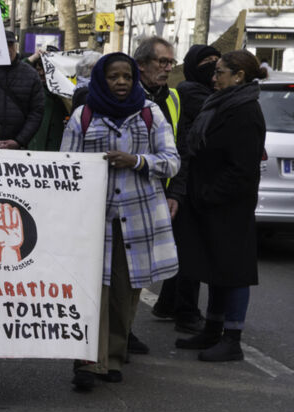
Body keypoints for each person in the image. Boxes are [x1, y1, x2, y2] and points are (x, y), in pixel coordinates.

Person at [62, 53, 179, 392]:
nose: (121, 82)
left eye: (126, 76)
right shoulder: (83, 116)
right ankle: (88, 361)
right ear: (102, 79)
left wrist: (136, 161)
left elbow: (172, 161)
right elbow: (65, 165)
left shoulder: (150, 113)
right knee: (91, 289)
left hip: (137, 219)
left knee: (124, 293)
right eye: (113, 77)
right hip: (94, 218)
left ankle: (113, 357)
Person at [170, 50, 267, 362]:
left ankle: (232, 339)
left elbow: (242, 168)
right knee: (215, 268)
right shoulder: (223, 102)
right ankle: (212, 330)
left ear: (239, 76)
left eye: (220, 72)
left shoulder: (245, 110)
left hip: (229, 205)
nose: (214, 78)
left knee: (234, 272)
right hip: (210, 202)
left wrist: (210, 194)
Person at [153, 44, 220, 331]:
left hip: (188, 179)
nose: (212, 66)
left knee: (184, 246)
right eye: (206, 61)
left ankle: (168, 303)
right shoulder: (194, 93)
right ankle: (186, 311)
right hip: (189, 180)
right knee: (191, 250)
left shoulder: (195, 93)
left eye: (216, 61)